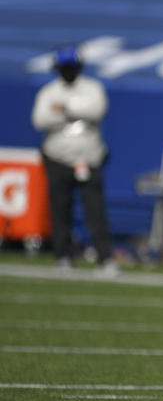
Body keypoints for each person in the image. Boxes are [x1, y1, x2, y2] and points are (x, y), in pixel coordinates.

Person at [31, 45, 116, 275]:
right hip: (57, 158)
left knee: (95, 211)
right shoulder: (48, 92)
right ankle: (63, 256)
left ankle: (105, 258)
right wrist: (76, 112)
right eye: (64, 67)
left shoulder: (92, 88)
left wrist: (65, 108)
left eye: (71, 67)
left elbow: (96, 110)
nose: (68, 71)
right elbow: (40, 119)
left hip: (89, 158)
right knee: (60, 210)